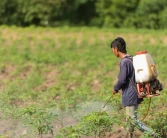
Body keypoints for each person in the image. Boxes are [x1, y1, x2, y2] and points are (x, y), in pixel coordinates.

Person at [110, 37, 156, 138]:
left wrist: (115, 88)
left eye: (112, 50)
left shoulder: (124, 62)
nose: (113, 52)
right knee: (129, 121)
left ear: (116, 49)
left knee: (133, 120)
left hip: (130, 95)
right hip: (134, 93)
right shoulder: (131, 59)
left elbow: (122, 79)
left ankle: (154, 135)